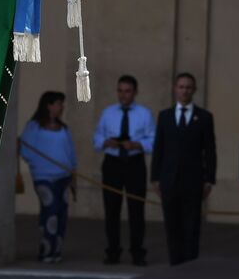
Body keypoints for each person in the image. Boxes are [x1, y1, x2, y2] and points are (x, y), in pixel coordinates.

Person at [150, 72, 217, 266]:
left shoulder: (204, 117)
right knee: (172, 226)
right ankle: (175, 263)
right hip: (169, 180)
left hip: (194, 181)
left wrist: (209, 179)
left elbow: (210, 150)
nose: (185, 90)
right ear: (175, 89)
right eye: (181, 87)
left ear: (194, 90)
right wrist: (155, 177)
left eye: (188, 87)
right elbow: (159, 149)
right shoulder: (165, 116)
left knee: (192, 226)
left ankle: (190, 264)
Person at [92, 74, 154, 265]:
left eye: (127, 91)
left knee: (136, 210)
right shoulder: (108, 112)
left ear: (135, 92)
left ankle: (137, 251)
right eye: (120, 90)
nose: (123, 95)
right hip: (112, 163)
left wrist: (136, 145)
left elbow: (153, 140)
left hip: (134, 164)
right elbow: (96, 138)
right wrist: (107, 142)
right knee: (112, 210)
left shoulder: (144, 114)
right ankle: (112, 251)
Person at [19, 90, 77, 262]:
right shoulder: (34, 126)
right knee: (50, 209)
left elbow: (70, 152)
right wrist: (40, 164)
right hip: (43, 177)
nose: (62, 107)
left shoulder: (63, 128)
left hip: (64, 177)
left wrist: (73, 172)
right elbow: (25, 150)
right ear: (49, 105)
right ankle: (46, 248)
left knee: (61, 212)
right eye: (59, 103)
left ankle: (57, 249)